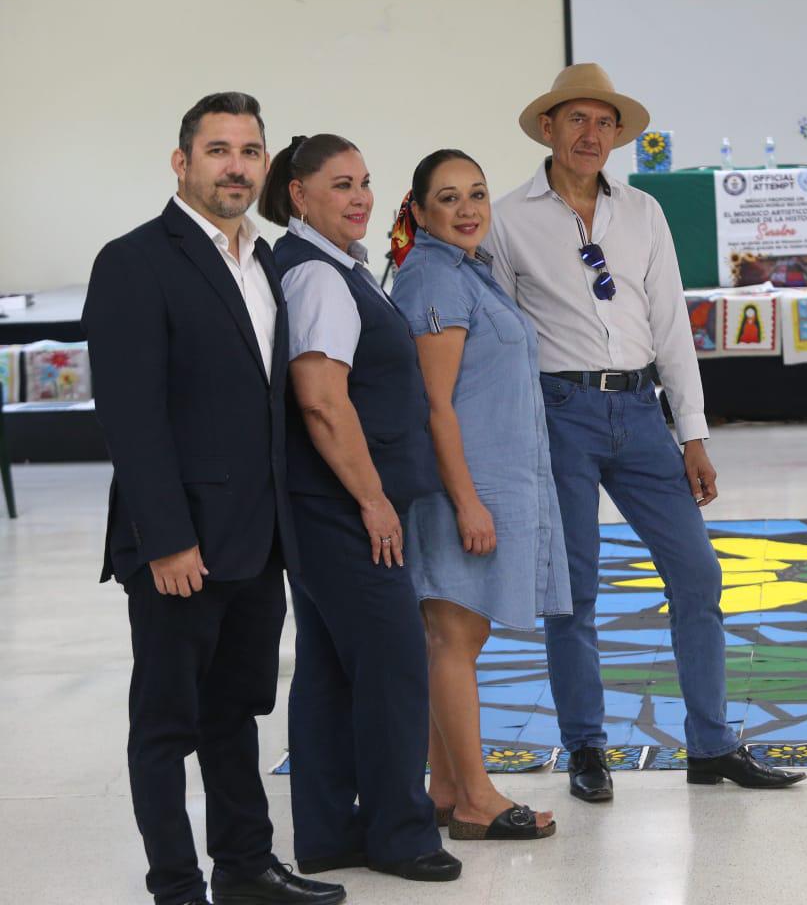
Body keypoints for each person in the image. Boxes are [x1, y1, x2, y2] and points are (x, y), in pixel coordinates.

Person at [488, 63, 806, 800]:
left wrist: (691, 433)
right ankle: (587, 750)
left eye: (606, 123)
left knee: (697, 574)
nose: (592, 134)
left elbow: (671, 327)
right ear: (548, 128)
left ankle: (710, 745)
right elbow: (502, 340)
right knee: (573, 592)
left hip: (638, 411)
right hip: (556, 412)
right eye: (577, 120)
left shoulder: (644, 212)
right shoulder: (507, 220)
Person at [83, 92, 344, 905]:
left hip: (257, 539)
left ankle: (244, 865)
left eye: (249, 151)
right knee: (166, 725)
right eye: (219, 149)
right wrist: (165, 538)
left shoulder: (262, 261)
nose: (236, 165)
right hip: (179, 544)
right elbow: (132, 417)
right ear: (182, 162)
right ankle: (175, 885)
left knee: (234, 712)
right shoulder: (134, 261)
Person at [258, 134, 461, 882]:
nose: (360, 197)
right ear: (300, 196)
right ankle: (402, 835)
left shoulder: (336, 266)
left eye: (366, 182)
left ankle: (329, 833)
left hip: (329, 506)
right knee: (393, 663)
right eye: (341, 184)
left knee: (330, 672)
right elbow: (320, 399)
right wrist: (374, 499)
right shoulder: (315, 276)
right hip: (342, 508)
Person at [389, 149, 569, 840]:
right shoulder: (433, 278)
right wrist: (466, 502)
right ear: (420, 211)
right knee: (455, 639)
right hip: (461, 491)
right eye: (448, 198)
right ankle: (476, 799)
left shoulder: (470, 272)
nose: (467, 210)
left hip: (494, 485)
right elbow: (434, 407)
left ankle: (444, 787)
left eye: (477, 195)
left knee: (458, 637)